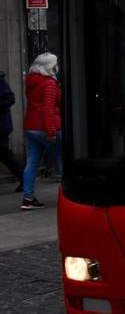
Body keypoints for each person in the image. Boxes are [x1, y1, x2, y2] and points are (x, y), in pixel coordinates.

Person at [21, 53, 61, 211]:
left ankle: (28, 197)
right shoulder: (49, 83)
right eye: (55, 64)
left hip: (31, 127)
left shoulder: (32, 81)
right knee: (61, 158)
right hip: (46, 127)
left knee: (32, 162)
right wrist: (51, 131)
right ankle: (70, 195)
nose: (57, 67)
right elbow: (48, 109)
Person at [0, 71, 22, 193]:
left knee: (4, 154)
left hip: (1, 126)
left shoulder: (0, 81)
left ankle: (23, 177)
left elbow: (10, 98)